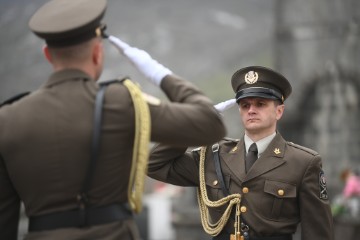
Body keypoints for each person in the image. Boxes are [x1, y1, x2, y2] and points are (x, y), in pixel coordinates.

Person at [0, 0, 226, 239]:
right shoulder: (120, 102)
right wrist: (158, 73)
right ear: (98, 52)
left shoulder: (7, 118)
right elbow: (209, 123)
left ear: (47, 54)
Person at [148, 66, 334, 240]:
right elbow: (153, 164)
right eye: (245, 105)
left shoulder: (303, 162)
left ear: (279, 111)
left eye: (260, 104)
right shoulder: (213, 156)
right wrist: (192, 127)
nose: (251, 110)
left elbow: (318, 233)